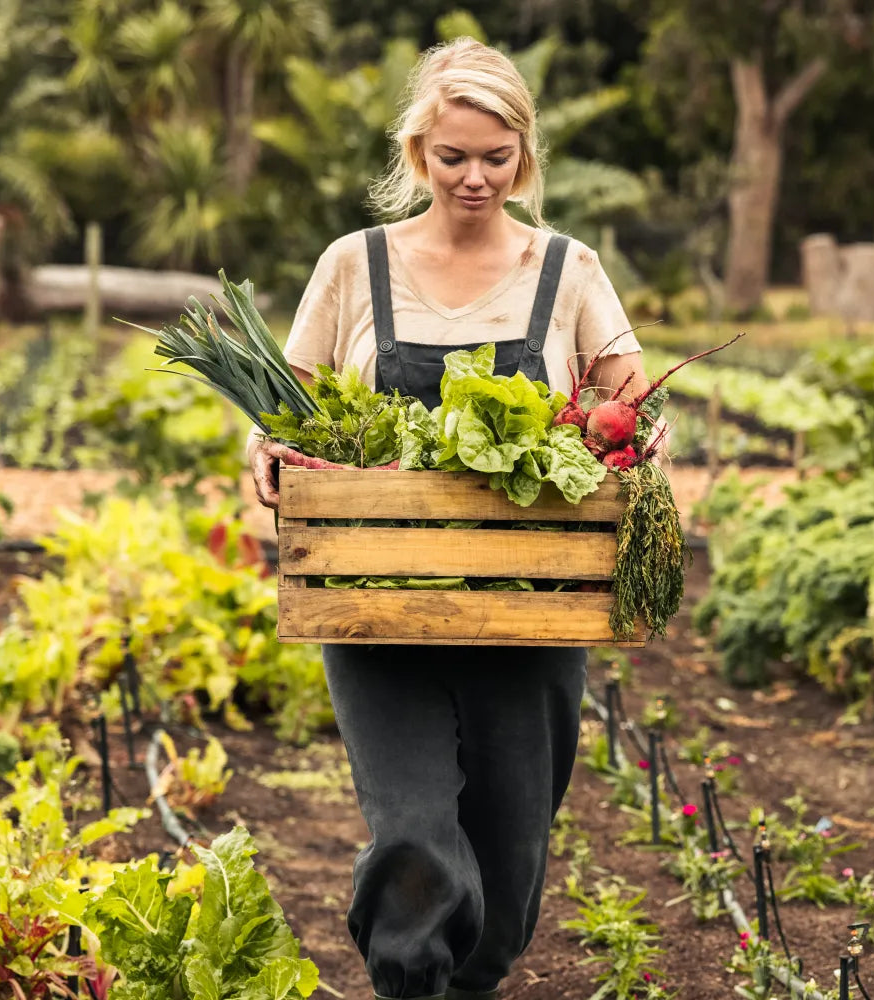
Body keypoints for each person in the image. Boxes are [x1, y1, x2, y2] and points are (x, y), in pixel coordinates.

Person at [248, 36, 651, 1000]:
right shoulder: (354, 266)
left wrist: (642, 444)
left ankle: (471, 983)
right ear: (417, 154)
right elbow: (285, 414)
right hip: (377, 599)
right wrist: (265, 455)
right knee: (414, 844)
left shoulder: (568, 268)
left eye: (496, 157)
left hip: (531, 608)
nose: (475, 178)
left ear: (525, 155)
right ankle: (411, 985)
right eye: (452, 157)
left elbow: (633, 400)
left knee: (509, 871)